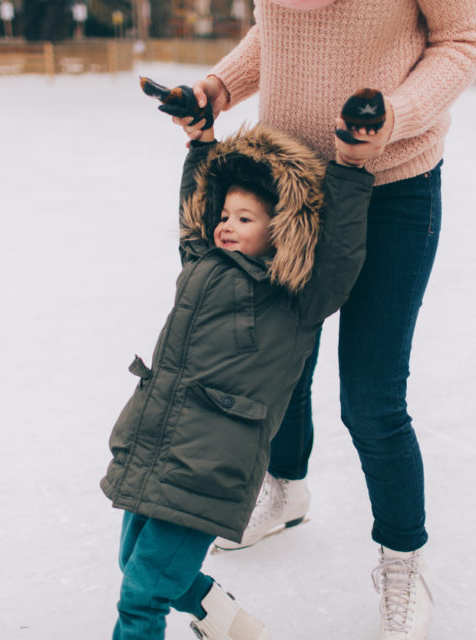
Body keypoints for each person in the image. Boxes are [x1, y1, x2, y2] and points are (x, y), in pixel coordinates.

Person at [173, 2, 476, 638]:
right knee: (278, 365)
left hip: (392, 186)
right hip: (289, 188)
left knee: (372, 398)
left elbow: (460, 40)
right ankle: (287, 490)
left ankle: (404, 560)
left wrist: (393, 114)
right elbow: (282, 33)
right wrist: (219, 88)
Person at [100, 82, 378, 639]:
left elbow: (340, 255)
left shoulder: (296, 296)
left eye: (244, 219)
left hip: (212, 463)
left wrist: (349, 167)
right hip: (157, 439)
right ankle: (225, 619)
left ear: (280, 229)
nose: (226, 224)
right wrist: (201, 141)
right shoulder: (203, 262)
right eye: (225, 215)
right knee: (138, 566)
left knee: (142, 597)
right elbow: (195, 212)